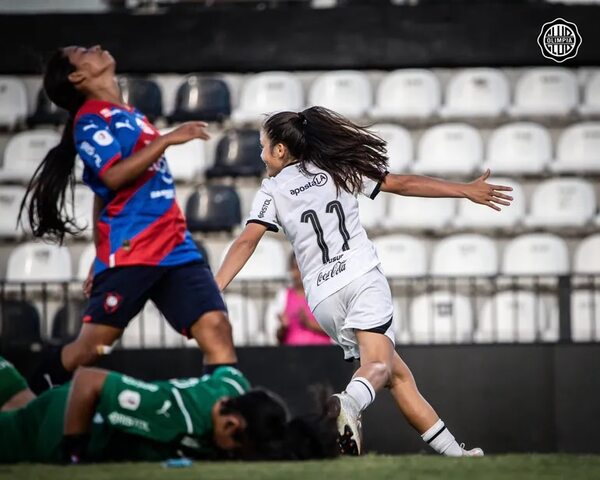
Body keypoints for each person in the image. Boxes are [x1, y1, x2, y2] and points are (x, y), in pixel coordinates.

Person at [215, 107, 514, 457]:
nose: (262, 154)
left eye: (264, 146)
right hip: (361, 279)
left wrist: (214, 287)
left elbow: (246, 241)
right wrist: (463, 190)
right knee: (378, 367)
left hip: (323, 296)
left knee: (396, 376)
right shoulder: (338, 167)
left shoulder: (271, 190)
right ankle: (349, 403)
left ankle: (456, 456)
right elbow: (403, 184)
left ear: (281, 150)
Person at [18, 45, 236, 392]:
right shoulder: (89, 121)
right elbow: (113, 178)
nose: (96, 48)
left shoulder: (131, 113)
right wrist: (166, 140)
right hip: (134, 249)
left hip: (176, 245)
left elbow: (101, 198)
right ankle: (26, 401)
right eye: (83, 51)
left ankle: (229, 419)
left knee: (216, 327)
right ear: (78, 76)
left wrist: (99, 252)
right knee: (91, 348)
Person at [0, 356, 289, 463]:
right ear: (232, 426)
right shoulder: (171, 415)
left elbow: (225, 362)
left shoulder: (234, 386)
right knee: (19, 426)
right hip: (58, 429)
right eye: (237, 451)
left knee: (20, 405)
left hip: (57, 406)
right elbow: (88, 379)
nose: (233, 458)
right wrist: (72, 455)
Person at [273, 254, 331, 345]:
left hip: (321, 352)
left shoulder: (322, 293)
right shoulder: (283, 295)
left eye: (302, 268)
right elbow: (278, 337)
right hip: (292, 354)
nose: (300, 273)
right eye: (296, 268)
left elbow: (334, 330)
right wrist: (284, 327)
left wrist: (309, 324)